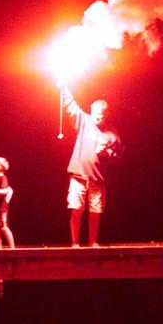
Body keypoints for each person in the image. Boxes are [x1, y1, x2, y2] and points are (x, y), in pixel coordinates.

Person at [61, 84, 123, 247]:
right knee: (76, 209)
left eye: (100, 115)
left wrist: (107, 154)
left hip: (98, 179)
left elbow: (119, 157)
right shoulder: (84, 121)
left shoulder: (112, 134)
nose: (96, 118)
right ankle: (75, 243)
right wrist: (64, 87)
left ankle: (92, 242)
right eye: (94, 114)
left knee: (95, 212)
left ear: (107, 114)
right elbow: (71, 106)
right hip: (78, 175)